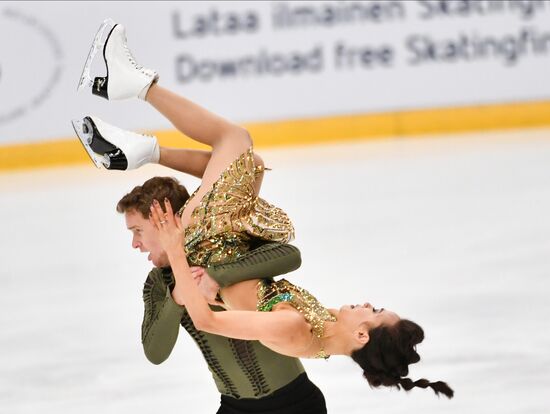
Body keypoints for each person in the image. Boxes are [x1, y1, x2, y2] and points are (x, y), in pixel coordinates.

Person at [76, 19, 453, 403]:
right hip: (216, 244)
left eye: (375, 311)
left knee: (235, 140)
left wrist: (176, 250)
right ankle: (138, 150)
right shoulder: (323, 326)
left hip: (198, 245)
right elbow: (286, 260)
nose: (368, 304)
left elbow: (206, 320)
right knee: (250, 164)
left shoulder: (293, 327)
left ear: (361, 335)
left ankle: (138, 88)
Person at [77, 20, 328, 413]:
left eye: (139, 230)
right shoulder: (160, 282)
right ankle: (145, 144)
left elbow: (288, 256)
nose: (134, 244)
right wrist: (179, 295)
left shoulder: (226, 246)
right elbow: (155, 351)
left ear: (164, 216)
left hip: (296, 404)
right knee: (247, 158)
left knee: (242, 151)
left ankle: (143, 129)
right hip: (233, 407)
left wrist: (215, 276)